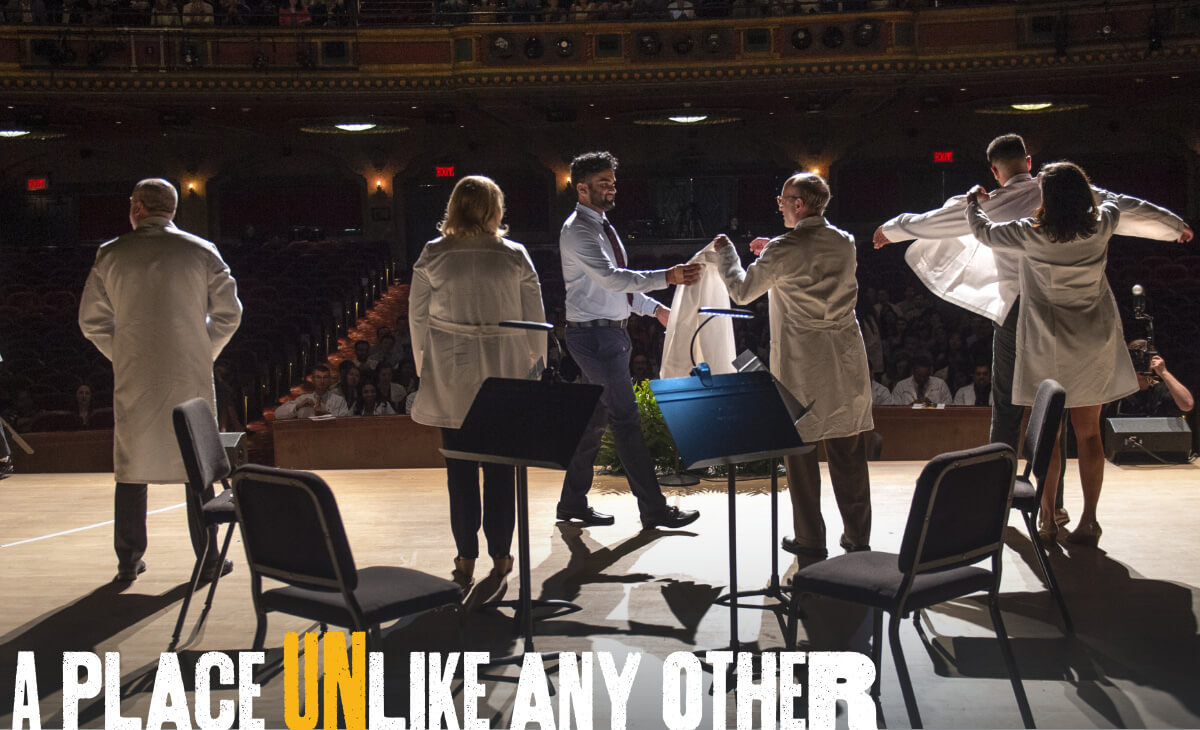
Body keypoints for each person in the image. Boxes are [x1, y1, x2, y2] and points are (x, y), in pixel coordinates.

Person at [875, 133, 1192, 449]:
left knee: (1008, 401)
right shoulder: (1070, 194)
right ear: (1029, 162)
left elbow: (937, 221)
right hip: (1069, 308)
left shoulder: (995, 203)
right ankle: (1052, 497)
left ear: (995, 172)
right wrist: (1174, 226)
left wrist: (891, 229)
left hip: (1017, 309)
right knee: (1061, 397)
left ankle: (1000, 480)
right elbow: (1123, 204)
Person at [965, 161, 1139, 547]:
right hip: (1093, 340)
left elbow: (982, 232)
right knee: (1090, 434)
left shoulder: (1032, 233)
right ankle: (1090, 521)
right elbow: (1114, 201)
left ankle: (1047, 518)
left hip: (1049, 340)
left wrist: (973, 203)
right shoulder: (1103, 223)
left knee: (1049, 435)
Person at [79, 178, 242, 582]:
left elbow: (92, 321)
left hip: (135, 374)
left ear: (136, 207)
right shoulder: (201, 251)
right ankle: (208, 558)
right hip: (189, 371)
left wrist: (125, 354)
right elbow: (229, 314)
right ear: (172, 210)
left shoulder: (111, 254)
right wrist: (202, 350)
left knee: (132, 463)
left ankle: (128, 561)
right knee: (195, 462)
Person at [711, 172, 874, 558]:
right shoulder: (845, 241)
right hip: (846, 360)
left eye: (784, 200)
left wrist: (727, 256)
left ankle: (810, 539)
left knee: (801, 459)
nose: (780, 205)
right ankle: (857, 538)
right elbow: (812, 262)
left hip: (805, 365)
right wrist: (774, 251)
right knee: (849, 455)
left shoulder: (784, 249)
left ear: (799, 204)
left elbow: (741, 291)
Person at [409, 175, 546, 598]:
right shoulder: (514, 255)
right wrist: (536, 368)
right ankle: (502, 557)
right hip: (503, 375)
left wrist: (424, 368)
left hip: (451, 376)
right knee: (502, 472)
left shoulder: (433, 254)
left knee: (460, 473)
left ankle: (465, 557)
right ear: (495, 209)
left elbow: (416, 318)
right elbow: (535, 319)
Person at [557, 151, 701, 530]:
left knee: (595, 421)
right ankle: (654, 509)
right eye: (604, 183)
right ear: (582, 188)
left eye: (613, 181)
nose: (612, 188)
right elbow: (613, 279)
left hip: (607, 334)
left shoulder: (602, 226)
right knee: (626, 420)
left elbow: (617, 287)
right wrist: (667, 277)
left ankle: (570, 503)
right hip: (595, 338)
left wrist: (656, 310)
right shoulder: (580, 230)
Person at [1110, 340, 1194, 417]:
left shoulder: (1161, 390)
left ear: (1152, 361)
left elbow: (1187, 405)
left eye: (1144, 361)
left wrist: (1164, 372)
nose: (1140, 366)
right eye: (1135, 360)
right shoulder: (1119, 392)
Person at [274, 363, 349, 418]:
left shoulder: (339, 400)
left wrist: (327, 415)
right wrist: (298, 406)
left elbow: (345, 423)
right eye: (318, 377)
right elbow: (277, 414)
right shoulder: (303, 399)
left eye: (325, 377)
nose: (322, 381)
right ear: (313, 380)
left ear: (329, 380)